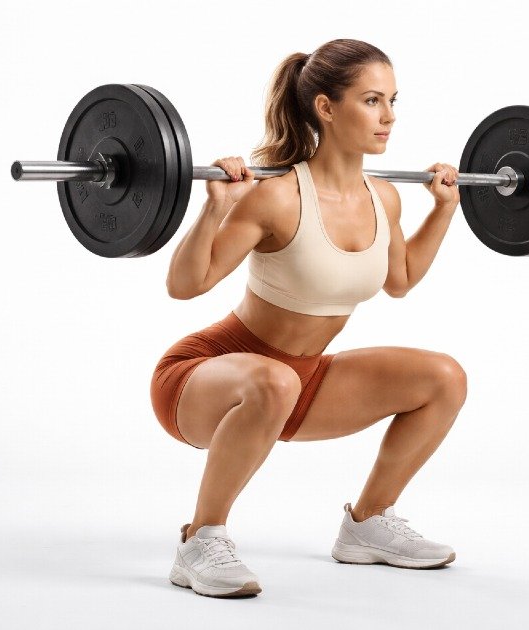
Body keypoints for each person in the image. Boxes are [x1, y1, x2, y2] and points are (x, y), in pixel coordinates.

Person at [150, 39, 467, 598]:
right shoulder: (275, 197)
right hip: (205, 378)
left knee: (443, 377)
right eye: (372, 100)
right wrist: (214, 208)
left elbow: (400, 280)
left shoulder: (384, 197)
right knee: (273, 378)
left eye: (393, 100)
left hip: (300, 384)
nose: (388, 116)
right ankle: (201, 539)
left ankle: (368, 524)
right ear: (326, 107)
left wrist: (444, 210)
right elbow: (184, 286)